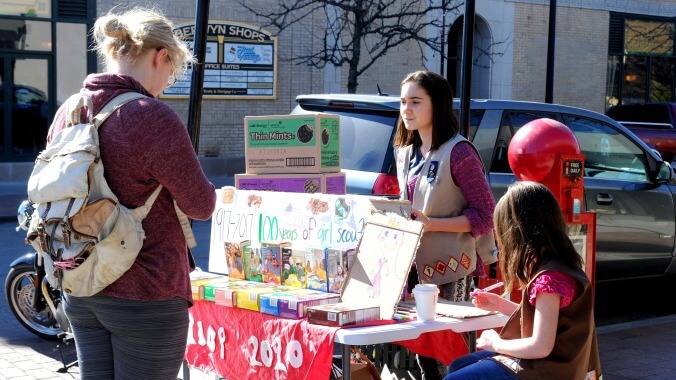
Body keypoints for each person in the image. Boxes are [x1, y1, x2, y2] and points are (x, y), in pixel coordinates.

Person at [48, 7, 217, 379]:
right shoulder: (151, 115)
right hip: (146, 294)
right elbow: (201, 205)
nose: (167, 82)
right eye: (172, 72)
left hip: (82, 284)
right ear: (161, 56)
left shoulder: (71, 111)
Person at [393, 70, 496, 379]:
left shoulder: (459, 151)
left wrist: (431, 224)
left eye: (415, 102)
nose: (406, 110)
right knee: (423, 357)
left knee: (451, 359)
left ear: (436, 105)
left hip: (453, 269)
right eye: (402, 102)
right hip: (412, 270)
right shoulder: (405, 152)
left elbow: (485, 215)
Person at [443, 181, 602, 380]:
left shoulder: (548, 280)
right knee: (460, 365)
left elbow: (540, 346)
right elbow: (549, 320)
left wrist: (495, 343)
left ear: (516, 233)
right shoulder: (562, 268)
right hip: (558, 366)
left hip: (545, 371)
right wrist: (502, 305)